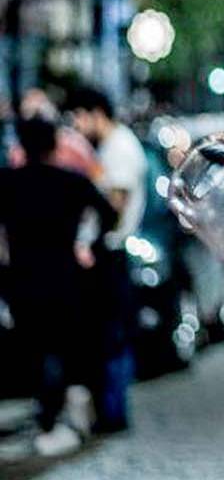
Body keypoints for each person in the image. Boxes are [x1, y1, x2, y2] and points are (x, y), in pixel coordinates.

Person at [0, 118, 117, 455]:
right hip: (64, 277)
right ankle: (61, 411)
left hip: (22, 279)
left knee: (35, 348)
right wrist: (86, 243)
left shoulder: (9, 183)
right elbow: (108, 214)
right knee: (64, 348)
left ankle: (48, 412)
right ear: (54, 145)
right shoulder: (72, 182)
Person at [65, 87, 148, 433]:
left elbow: (116, 206)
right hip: (108, 252)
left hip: (112, 252)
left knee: (111, 337)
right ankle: (108, 410)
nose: (77, 126)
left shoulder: (120, 148)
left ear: (96, 113)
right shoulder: (111, 147)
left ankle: (112, 413)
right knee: (107, 337)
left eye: (80, 117)